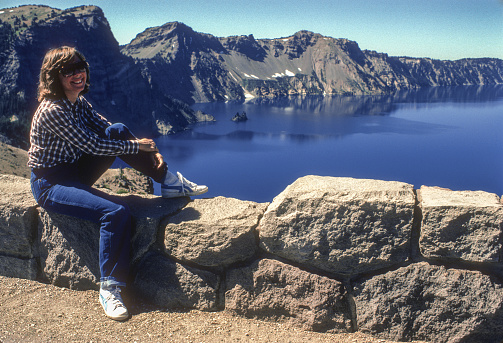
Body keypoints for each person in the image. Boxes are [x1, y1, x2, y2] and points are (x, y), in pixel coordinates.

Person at [28, 46, 208, 321]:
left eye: (80, 67)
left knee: (119, 129)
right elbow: (92, 144)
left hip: (73, 171)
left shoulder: (76, 100)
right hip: (50, 183)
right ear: (55, 76)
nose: (78, 74)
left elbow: (106, 128)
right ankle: (110, 288)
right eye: (68, 71)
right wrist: (138, 146)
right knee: (115, 212)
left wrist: (148, 150)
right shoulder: (53, 109)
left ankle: (169, 182)